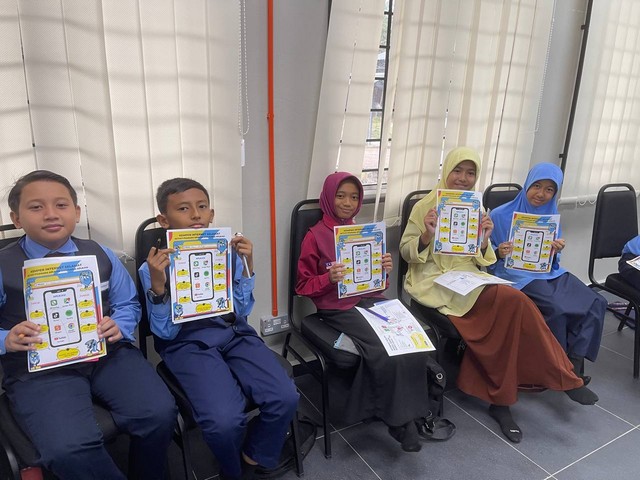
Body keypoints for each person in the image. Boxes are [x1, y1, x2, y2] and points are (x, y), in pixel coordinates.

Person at [400, 147, 598, 444]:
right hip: (434, 281)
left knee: (517, 302)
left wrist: (484, 240)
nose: (463, 178)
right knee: (503, 320)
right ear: (447, 170)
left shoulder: (476, 207)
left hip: (469, 279)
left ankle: (564, 375)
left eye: (470, 173)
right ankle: (509, 400)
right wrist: (427, 234)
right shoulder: (424, 207)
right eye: (458, 171)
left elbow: (482, 260)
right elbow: (407, 253)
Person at [0, 170, 176, 479]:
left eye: (61, 205)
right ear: (16, 218)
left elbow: (128, 304)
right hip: (39, 369)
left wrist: (119, 325)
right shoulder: (3, 265)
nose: (51, 214)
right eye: (36, 207)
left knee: (159, 413)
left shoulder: (100, 254)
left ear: (77, 212)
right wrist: (6, 339)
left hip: (108, 355)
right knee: (68, 449)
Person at [139, 178, 298, 480]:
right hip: (186, 343)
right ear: (164, 220)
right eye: (183, 209)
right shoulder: (154, 267)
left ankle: (251, 457)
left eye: (202, 207)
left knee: (285, 397)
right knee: (224, 421)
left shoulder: (227, 253)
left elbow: (242, 310)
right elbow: (165, 333)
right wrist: (159, 287)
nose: (195, 215)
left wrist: (247, 264)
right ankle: (232, 471)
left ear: (211, 214)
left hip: (234, 333)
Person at [296, 171, 432, 452]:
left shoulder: (363, 233)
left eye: (354, 197)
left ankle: (413, 410)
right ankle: (398, 421)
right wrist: (328, 279)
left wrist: (383, 270)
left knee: (413, 339)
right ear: (328, 197)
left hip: (370, 300)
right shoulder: (315, 236)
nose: (347, 203)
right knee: (382, 348)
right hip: (337, 307)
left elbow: (377, 285)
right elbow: (302, 286)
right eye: (340, 196)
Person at [489, 162, 606, 383]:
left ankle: (574, 363)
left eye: (549, 189)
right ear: (527, 184)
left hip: (548, 272)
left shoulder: (551, 216)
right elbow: (485, 257)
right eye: (537, 186)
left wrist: (555, 251)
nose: (541, 194)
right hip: (516, 276)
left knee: (596, 302)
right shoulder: (499, 215)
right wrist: (498, 252)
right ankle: (558, 369)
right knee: (558, 309)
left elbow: (553, 263)